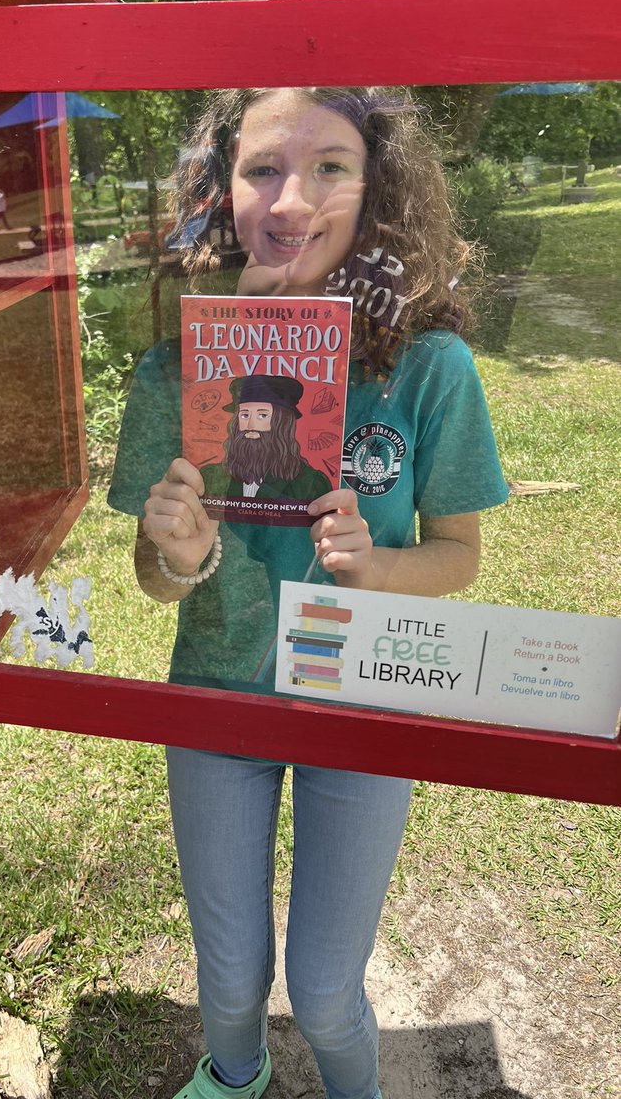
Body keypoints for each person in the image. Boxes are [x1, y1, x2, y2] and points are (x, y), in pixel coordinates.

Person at [107, 87, 509, 1099]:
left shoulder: (432, 370)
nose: (292, 200)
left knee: (327, 990)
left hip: (363, 699)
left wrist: (375, 565)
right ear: (218, 190)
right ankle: (232, 1076)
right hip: (216, 696)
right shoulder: (173, 369)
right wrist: (181, 555)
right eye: (260, 169)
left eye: (331, 165)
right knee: (231, 980)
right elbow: (155, 583)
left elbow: (456, 555)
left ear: (379, 192)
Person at [199, 374, 332, 517]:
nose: (250, 425)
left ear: (281, 423)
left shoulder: (311, 484)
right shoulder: (210, 476)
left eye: (262, 416)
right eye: (244, 415)